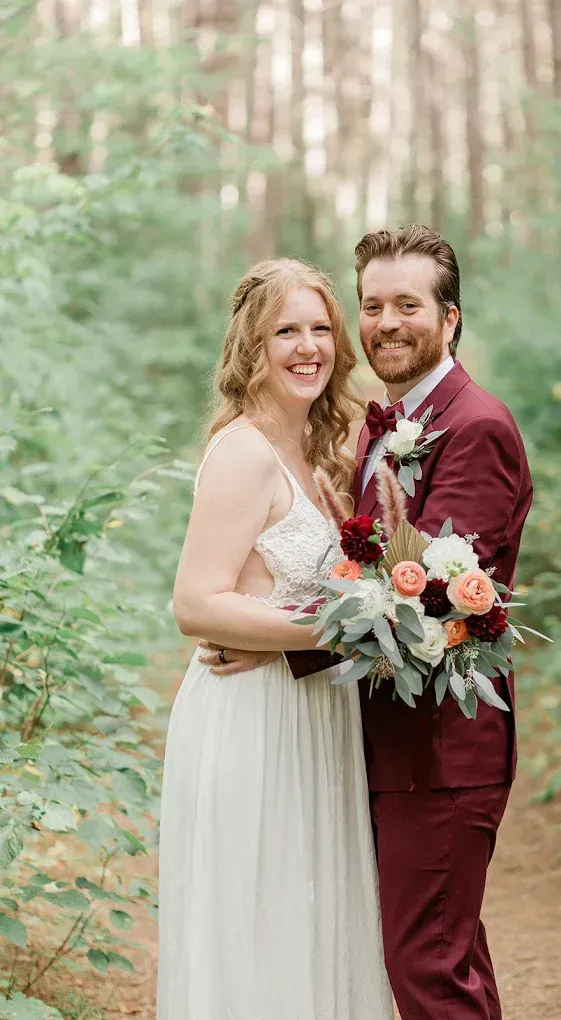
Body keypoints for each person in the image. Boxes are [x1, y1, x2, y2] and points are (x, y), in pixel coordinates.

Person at [203, 225, 533, 1019]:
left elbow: (436, 604)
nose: (387, 323)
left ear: (450, 319)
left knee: (425, 964)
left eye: (408, 306)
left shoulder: (476, 426)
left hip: (440, 755)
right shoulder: (381, 426)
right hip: (385, 744)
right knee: (440, 956)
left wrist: (284, 641)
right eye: (373, 306)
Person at [156, 258, 393, 1020]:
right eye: (285, 330)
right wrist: (333, 632)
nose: (307, 347)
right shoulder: (242, 453)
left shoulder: (317, 452)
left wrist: (316, 639)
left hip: (313, 714)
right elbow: (196, 602)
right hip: (250, 721)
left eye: (321, 328)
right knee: (259, 919)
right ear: (250, 347)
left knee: (309, 915)